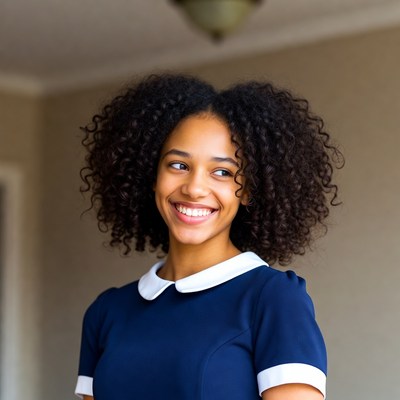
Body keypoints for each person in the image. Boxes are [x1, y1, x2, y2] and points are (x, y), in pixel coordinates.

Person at [75, 74, 342, 400]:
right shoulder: (108, 311)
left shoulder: (272, 299)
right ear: (152, 175)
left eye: (223, 172)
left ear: (249, 191)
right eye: (178, 165)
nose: (194, 188)